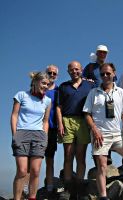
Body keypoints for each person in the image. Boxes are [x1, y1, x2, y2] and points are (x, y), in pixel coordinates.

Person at [83, 63, 123, 200]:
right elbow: (87, 114)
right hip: (100, 135)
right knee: (102, 166)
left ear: (114, 73)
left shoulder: (120, 92)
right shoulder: (93, 93)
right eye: (102, 74)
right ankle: (103, 196)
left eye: (108, 73)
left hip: (118, 135)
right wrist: (94, 130)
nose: (105, 76)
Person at [56, 61, 94, 199]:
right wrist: (60, 123)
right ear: (68, 71)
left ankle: (78, 186)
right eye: (71, 70)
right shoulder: (63, 86)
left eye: (77, 69)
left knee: (81, 156)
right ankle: (67, 187)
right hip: (67, 121)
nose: (74, 72)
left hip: (84, 121)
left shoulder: (90, 85)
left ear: (81, 70)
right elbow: (58, 107)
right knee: (68, 155)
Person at [11, 72, 51, 200]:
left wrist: (45, 137)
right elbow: (14, 115)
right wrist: (15, 135)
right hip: (22, 133)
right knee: (22, 171)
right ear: (35, 82)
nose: (46, 86)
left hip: (39, 135)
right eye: (43, 83)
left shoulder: (47, 101)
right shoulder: (21, 95)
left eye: (48, 84)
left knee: (35, 171)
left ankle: (32, 197)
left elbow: (45, 121)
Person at [83, 44, 114, 165]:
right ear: (97, 53)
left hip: (107, 100)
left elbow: (113, 81)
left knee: (109, 126)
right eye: (100, 52)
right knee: (95, 128)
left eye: (104, 53)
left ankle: (108, 156)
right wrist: (87, 80)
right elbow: (82, 79)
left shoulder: (108, 67)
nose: (102, 54)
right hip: (94, 99)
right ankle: (98, 157)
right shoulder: (90, 67)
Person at [44, 64, 59, 195]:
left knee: (50, 160)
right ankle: (25, 191)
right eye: (50, 73)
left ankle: (49, 188)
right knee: (33, 160)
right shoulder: (39, 89)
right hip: (37, 129)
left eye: (54, 73)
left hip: (52, 129)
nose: (52, 75)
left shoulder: (59, 91)